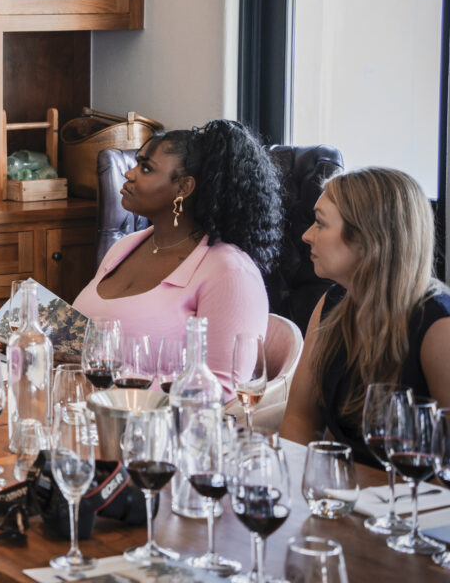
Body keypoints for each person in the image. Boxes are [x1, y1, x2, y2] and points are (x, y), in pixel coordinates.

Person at [72, 119, 283, 398]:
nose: (129, 174)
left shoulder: (230, 271)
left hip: (164, 432)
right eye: (136, 164)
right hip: (87, 416)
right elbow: (87, 344)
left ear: (183, 187)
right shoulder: (123, 248)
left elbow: (223, 391)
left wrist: (120, 398)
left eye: (146, 168)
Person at [281, 167, 450, 466]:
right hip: (345, 496)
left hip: (416, 504)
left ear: (369, 240)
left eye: (320, 224)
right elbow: (299, 418)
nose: (307, 235)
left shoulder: (438, 326)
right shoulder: (332, 304)